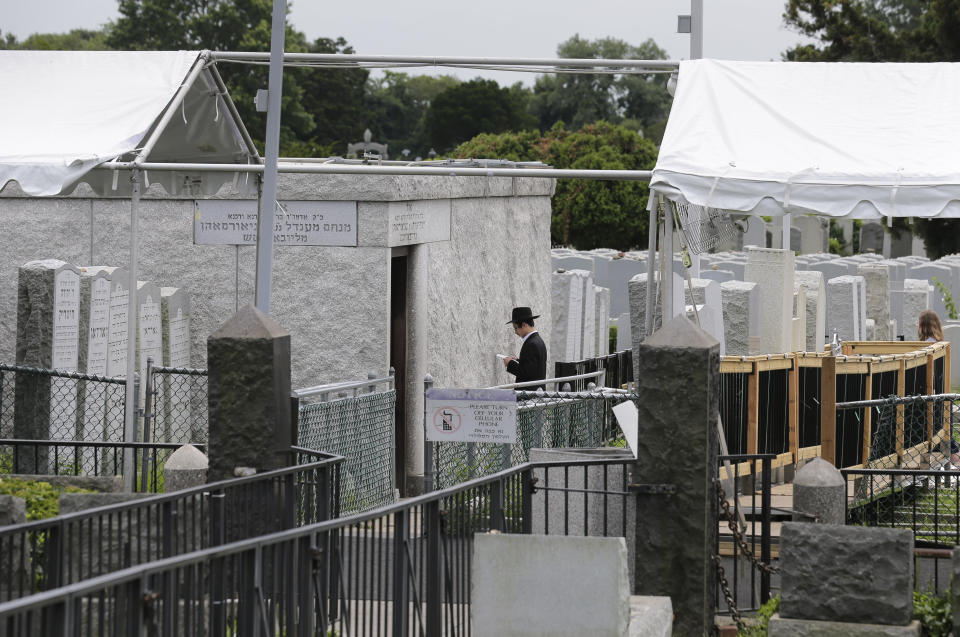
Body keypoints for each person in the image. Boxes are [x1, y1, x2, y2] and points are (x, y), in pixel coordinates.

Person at [503, 306, 547, 390]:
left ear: (524, 325)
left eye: (516, 328)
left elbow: (526, 373)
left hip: (530, 395)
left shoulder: (531, 344)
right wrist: (518, 361)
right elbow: (532, 367)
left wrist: (510, 364)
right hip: (535, 393)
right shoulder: (538, 340)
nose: (515, 332)